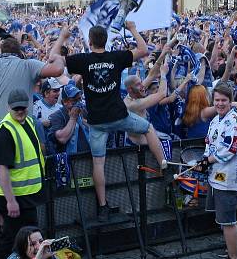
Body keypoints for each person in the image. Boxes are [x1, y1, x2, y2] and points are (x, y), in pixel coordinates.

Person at [60, 22, 168, 222]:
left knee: (98, 162)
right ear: (106, 41)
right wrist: (134, 29)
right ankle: (163, 165)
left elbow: (54, 59)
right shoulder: (115, 57)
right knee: (148, 128)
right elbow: (144, 49)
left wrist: (63, 37)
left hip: (97, 121)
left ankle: (103, 206)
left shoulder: (83, 60)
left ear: (90, 42)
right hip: (120, 116)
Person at [0, 36, 64, 153]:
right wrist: (58, 57)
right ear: (19, 52)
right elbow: (57, 70)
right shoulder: (27, 65)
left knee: (0, 169)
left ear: (1, 51)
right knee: (21, 170)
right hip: (19, 130)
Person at [0, 89, 47, 258]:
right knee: (15, 241)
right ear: (9, 108)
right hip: (15, 197)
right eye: (16, 108)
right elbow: (1, 168)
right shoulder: (6, 130)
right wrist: (11, 201)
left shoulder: (27, 122)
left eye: (23, 107)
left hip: (25, 194)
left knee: (24, 239)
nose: (20, 111)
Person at [202, 85, 237, 259]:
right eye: (217, 100)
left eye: (224, 100)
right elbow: (209, 142)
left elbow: (231, 149)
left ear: (230, 101)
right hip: (216, 176)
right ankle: (235, 246)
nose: (220, 104)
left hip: (230, 178)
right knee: (223, 218)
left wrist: (208, 161)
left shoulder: (236, 121)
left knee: (228, 220)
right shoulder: (215, 120)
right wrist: (204, 160)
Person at [46, 84, 90, 155]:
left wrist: (83, 121)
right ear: (65, 102)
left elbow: (96, 129)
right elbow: (62, 139)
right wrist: (73, 118)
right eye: (74, 100)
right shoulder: (57, 116)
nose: (78, 102)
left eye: (79, 99)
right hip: (70, 160)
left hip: (89, 155)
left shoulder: (83, 110)